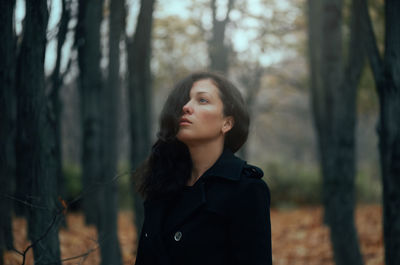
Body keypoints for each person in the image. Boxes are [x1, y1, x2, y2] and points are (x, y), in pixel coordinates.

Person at [134, 71, 272, 265]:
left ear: (227, 123)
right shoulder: (162, 185)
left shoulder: (246, 189)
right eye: (186, 100)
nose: (186, 107)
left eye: (202, 100)